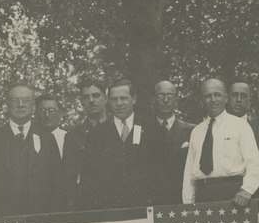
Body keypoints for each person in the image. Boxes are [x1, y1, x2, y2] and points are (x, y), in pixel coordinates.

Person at [0, 83, 64, 220]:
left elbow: (58, 182)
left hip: (41, 220)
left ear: (33, 105)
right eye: (15, 100)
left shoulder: (47, 138)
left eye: (26, 100)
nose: (21, 104)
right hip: (3, 221)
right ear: (7, 104)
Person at [81, 79, 163, 209]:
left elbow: (161, 172)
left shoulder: (152, 129)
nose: (119, 103)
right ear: (108, 100)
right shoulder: (96, 134)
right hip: (109, 211)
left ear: (134, 99)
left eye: (123, 98)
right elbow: (89, 177)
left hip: (146, 209)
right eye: (114, 99)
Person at [183, 78, 259, 205]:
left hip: (233, 195)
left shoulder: (240, 126)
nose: (213, 100)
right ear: (202, 101)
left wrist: (247, 190)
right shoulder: (196, 131)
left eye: (217, 95)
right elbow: (189, 173)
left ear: (225, 98)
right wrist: (188, 203)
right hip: (203, 195)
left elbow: (254, 164)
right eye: (208, 96)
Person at [63, 79, 108, 210]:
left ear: (105, 98)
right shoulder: (73, 136)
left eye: (96, 95)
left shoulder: (118, 128)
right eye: (86, 97)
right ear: (81, 102)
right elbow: (69, 177)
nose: (91, 100)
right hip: (88, 204)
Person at [151, 80, 196, 205]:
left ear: (176, 100)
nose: (166, 100)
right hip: (153, 201)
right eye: (161, 96)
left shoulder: (192, 131)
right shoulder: (144, 131)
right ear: (153, 100)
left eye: (170, 96)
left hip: (182, 200)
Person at [35, 94, 67, 158]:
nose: (47, 115)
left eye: (51, 111)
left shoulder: (68, 138)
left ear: (60, 113)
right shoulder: (30, 138)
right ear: (36, 114)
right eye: (42, 111)